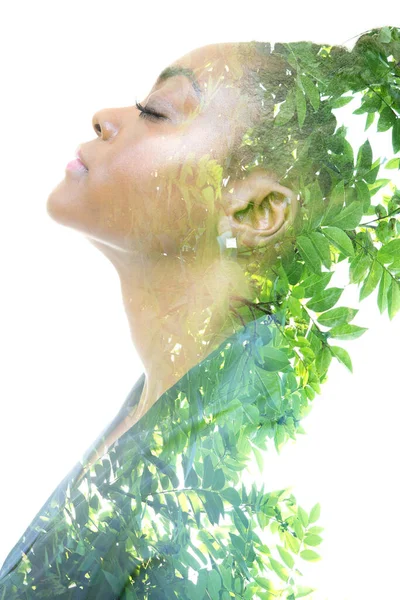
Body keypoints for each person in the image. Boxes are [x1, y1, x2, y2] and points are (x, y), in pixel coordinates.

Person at [1, 29, 399, 599]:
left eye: (155, 112)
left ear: (256, 210)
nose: (105, 117)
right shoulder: (166, 404)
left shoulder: (227, 485)